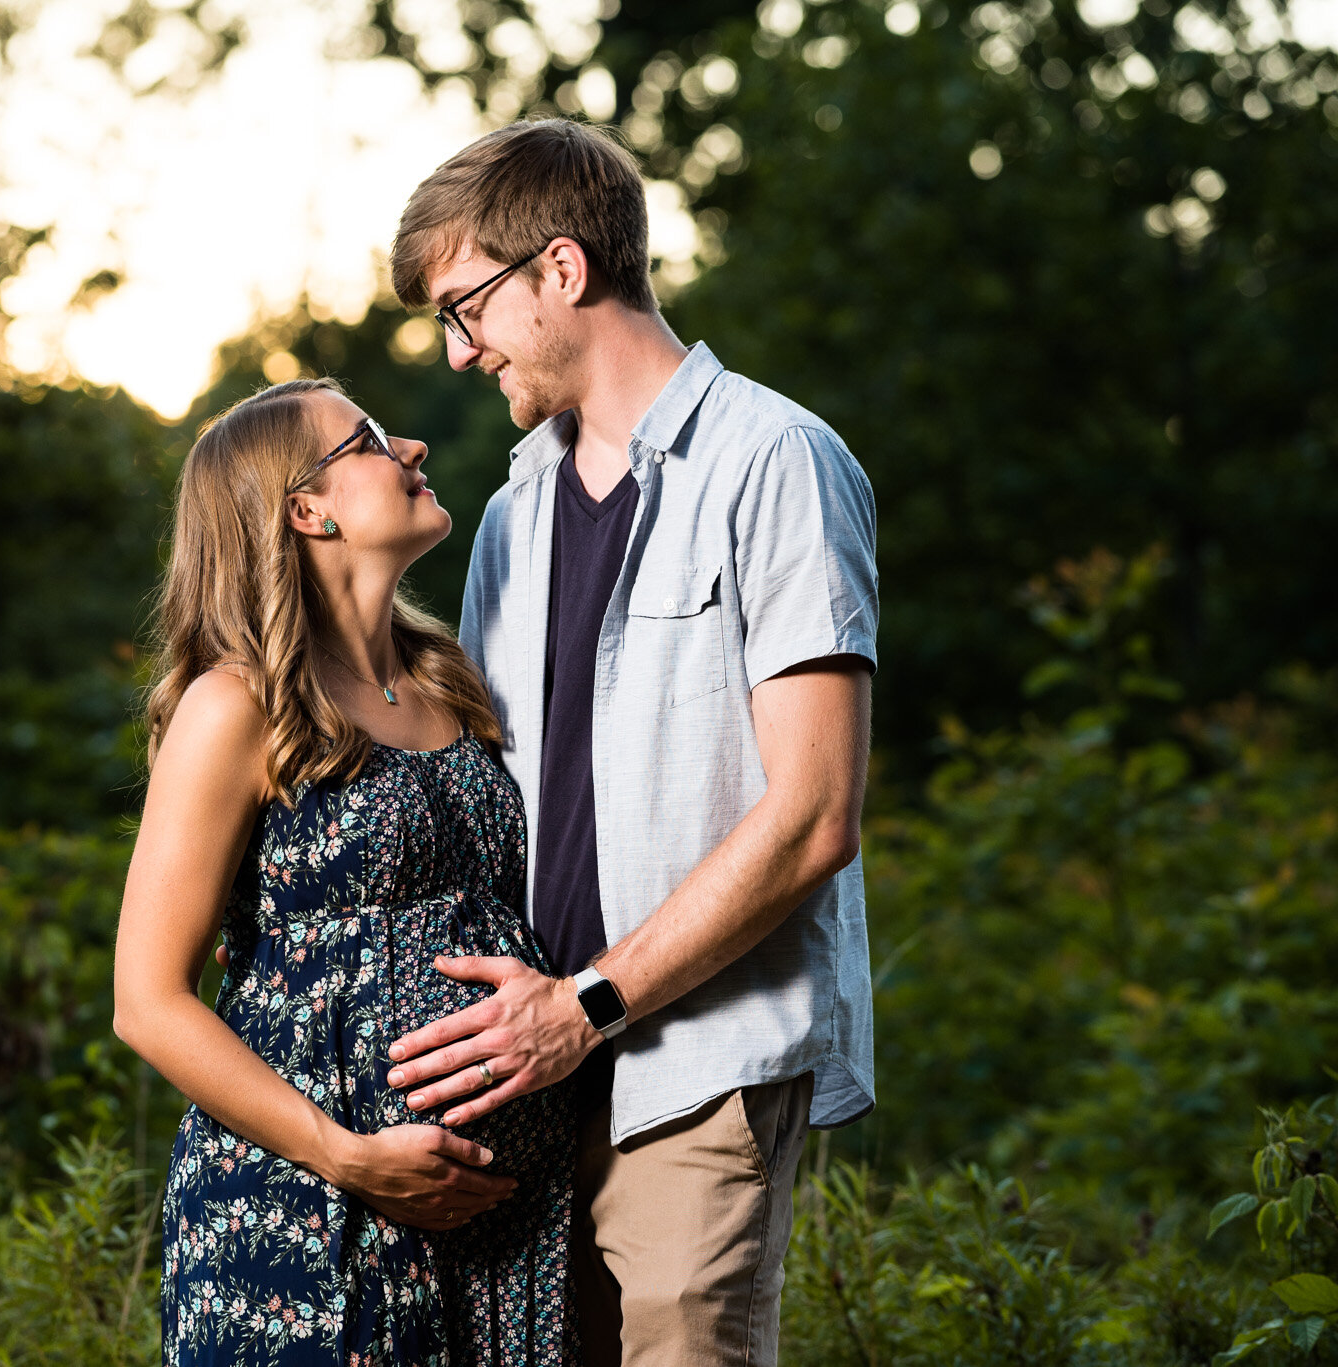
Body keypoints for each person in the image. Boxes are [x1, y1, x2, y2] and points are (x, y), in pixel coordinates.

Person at [378, 118, 880, 1367]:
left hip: (691, 1067)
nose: (455, 350)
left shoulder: (776, 462)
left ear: (559, 269)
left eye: (465, 305)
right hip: (525, 1083)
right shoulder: (507, 517)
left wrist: (588, 1005)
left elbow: (814, 811)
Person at [113, 378, 579, 1366]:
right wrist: (347, 1154)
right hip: (303, 1216)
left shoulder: (449, 676)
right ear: (304, 507)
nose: (409, 445)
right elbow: (146, 1000)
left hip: (491, 1232)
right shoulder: (233, 705)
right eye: (368, 440)